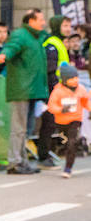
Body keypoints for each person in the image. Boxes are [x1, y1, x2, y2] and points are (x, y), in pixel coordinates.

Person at [0, 8, 50, 175]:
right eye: (40, 19)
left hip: (32, 88)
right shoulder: (21, 35)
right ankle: (15, 162)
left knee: (26, 129)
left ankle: (22, 161)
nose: (43, 22)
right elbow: (11, 47)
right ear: (31, 21)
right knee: (19, 128)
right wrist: (4, 55)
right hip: (22, 88)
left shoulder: (36, 37)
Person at [36, 15, 74, 166]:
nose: (68, 29)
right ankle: (43, 156)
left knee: (57, 122)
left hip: (59, 90)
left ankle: (51, 152)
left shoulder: (59, 43)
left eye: (69, 26)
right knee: (48, 123)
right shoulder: (52, 44)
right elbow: (49, 69)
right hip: (52, 90)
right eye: (65, 25)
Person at [46, 62, 88, 178]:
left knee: (71, 143)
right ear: (64, 80)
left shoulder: (81, 89)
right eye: (72, 78)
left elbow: (86, 101)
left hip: (75, 120)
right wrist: (61, 109)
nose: (75, 80)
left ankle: (68, 168)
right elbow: (51, 106)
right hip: (61, 122)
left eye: (76, 77)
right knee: (66, 143)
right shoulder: (58, 91)